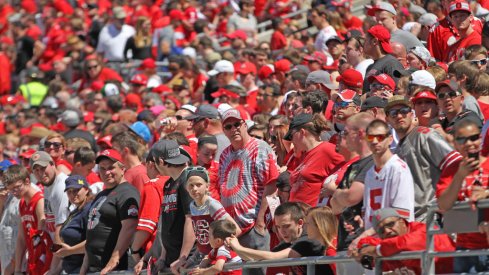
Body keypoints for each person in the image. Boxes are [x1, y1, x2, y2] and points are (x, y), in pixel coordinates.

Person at [218, 108, 279, 269]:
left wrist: (260, 221)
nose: (233, 129)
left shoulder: (260, 147)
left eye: (237, 124)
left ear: (244, 125)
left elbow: (272, 184)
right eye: (228, 127)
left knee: (260, 271)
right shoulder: (224, 154)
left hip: (253, 227)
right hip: (233, 230)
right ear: (224, 131)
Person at [385, 95, 462, 220]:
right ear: (387, 119)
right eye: (393, 113)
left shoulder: (424, 135)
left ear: (412, 114)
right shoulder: (397, 149)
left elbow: (455, 163)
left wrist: (444, 198)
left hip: (431, 216)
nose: (399, 116)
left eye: (404, 111)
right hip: (411, 219)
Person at [436, 119, 489, 272]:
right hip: (465, 249)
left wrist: (485, 193)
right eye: (463, 139)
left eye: (474, 138)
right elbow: (443, 204)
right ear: (455, 143)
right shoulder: (451, 170)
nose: (469, 143)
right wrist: (460, 176)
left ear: (480, 139)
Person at [228, 202, 335, 275]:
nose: (282, 232)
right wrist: (236, 249)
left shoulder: (307, 240)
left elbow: (273, 257)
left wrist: (239, 247)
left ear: (300, 223)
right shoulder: (289, 242)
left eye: (286, 226)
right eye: (278, 227)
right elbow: (257, 258)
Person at [81, 149, 140, 274]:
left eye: (111, 168)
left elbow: (130, 226)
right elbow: (93, 230)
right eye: (102, 168)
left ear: (122, 169)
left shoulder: (127, 192)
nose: (107, 172)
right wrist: (85, 263)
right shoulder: (101, 194)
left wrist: (114, 259)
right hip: (93, 267)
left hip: (114, 268)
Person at [355, 208, 455, 274]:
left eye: (390, 224)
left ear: (402, 222)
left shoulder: (422, 230)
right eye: (381, 230)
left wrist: (377, 250)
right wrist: (363, 252)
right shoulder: (390, 247)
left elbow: (407, 243)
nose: (387, 231)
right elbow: (365, 245)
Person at [147, 139, 195, 274]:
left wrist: (183, 257)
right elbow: (167, 224)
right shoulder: (168, 183)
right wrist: (163, 257)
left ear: (161, 162)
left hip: (187, 261)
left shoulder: (188, 179)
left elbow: (191, 220)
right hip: (172, 260)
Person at [362, 119, 415, 231]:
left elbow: (400, 214)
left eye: (380, 137)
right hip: (374, 239)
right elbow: (368, 211)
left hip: (394, 237)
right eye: (370, 137)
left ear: (390, 139)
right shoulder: (369, 173)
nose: (375, 141)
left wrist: (368, 234)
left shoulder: (398, 168)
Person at [283, 113, 344, 206]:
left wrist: (334, 189)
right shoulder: (303, 155)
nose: (292, 141)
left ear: (302, 132)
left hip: (313, 215)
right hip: (298, 215)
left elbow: (350, 166)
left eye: (291, 136)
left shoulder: (327, 150)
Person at [185, 166, 241, 268]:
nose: (194, 189)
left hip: (220, 262)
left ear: (207, 186)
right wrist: (192, 259)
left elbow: (236, 230)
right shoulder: (192, 206)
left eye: (199, 185)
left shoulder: (212, 205)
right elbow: (203, 240)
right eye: (191, 185)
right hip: (205, 260)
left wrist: (216, 252)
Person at [5, 165, 52, 275]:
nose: (14, 192)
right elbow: (21, 238)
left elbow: (42, 235)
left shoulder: (39, 200)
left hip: (43, 258)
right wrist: (17, 269)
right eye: (11, 190)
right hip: (31, 259)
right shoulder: (22, 203)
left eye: (17, 188)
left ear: (27, 181)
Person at [54, 175, 93, 274]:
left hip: (83, 269)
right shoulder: (75, 211)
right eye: (69, 192)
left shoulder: (90, 209)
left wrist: (70, 251)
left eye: (76, 190)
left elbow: (93, 241)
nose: (72, 194)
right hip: (69, 268)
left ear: (86, 189)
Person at [0, 161, 19, 275]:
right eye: (1, 173)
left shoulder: (19, 192)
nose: (3, 176)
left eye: (6, 173)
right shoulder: (2, 193)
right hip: (5, 250)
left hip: (17, 250)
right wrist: (1, 202)